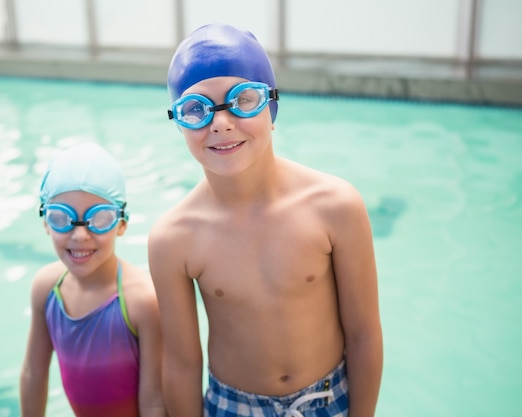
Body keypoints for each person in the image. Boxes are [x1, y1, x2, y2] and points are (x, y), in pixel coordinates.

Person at [148, 23, 383, 417]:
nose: (221, 123)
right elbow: (181, 364)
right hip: (230, 407)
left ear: (271, 106)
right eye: (196, 109)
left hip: (329, 401)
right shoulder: (173, 238)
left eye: (243, 100)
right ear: (179, 123)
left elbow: (364, 335)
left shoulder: (335, 206)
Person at [20, 142, 166, 417]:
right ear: (45, 222)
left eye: (99, 219)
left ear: (122, 223)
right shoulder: (47, 288)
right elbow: (33, 375)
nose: (80, 236)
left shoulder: (142, 301)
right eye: (61, 217)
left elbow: (154, 402)